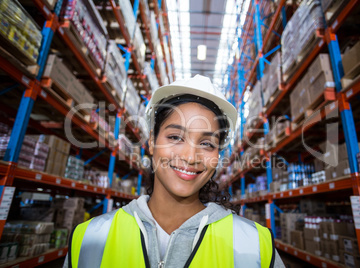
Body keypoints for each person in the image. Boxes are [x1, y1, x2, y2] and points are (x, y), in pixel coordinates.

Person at [64, 75, 285, 268]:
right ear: (151, 142)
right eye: (175, 137)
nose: (190, 157)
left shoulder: (256, 246)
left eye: (207, 143)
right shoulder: (89, 239)